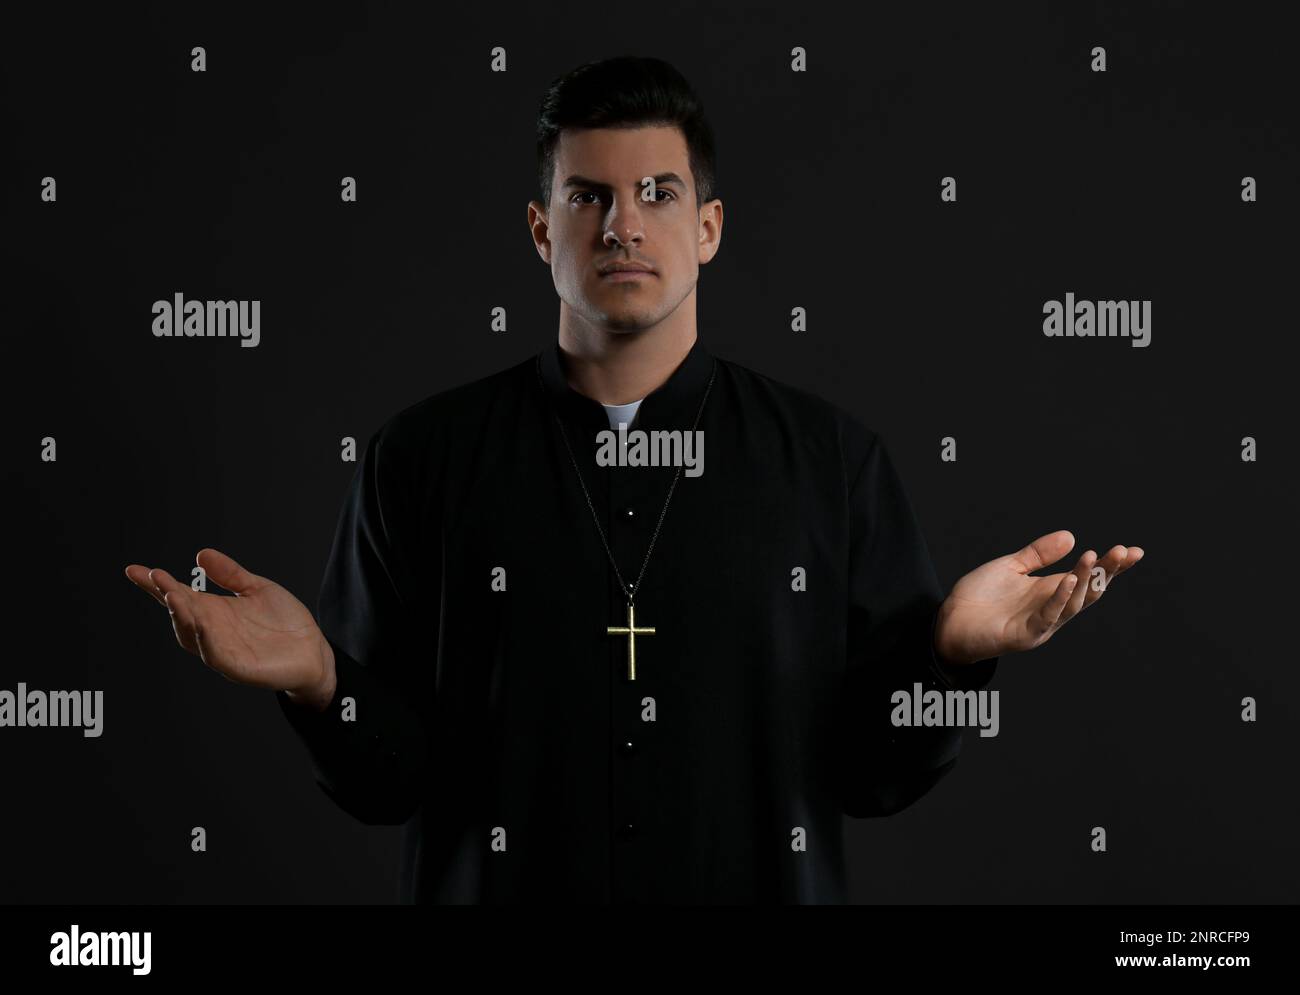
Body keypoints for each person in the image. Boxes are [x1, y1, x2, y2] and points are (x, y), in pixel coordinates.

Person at [125, 56, 1143, 904]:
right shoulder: (419, 457)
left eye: (658, 194)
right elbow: (394, 781)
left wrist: (951, 658)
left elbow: (868, 779)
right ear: (541, 230)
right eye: (589, 196)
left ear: (707, 228)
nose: (623, 225)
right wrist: (320, 681)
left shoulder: (830, 461)